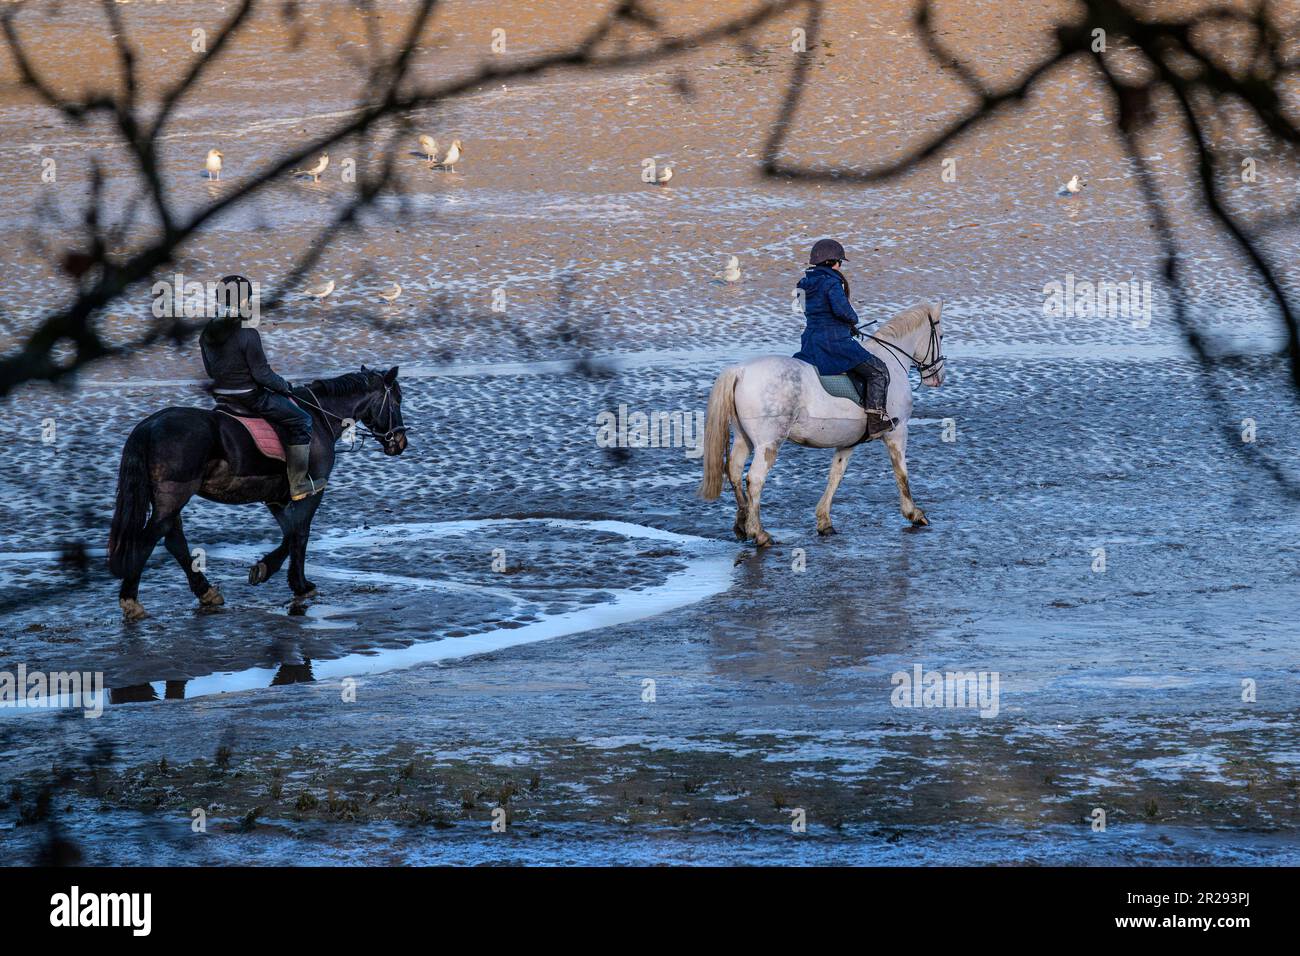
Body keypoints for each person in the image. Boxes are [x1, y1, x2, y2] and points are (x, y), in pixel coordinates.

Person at [199, 275, 323, 500]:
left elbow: (210, 371)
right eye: (248, 299)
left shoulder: (207, 332)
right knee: (302, 420)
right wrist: (285, 386)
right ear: (242, 301)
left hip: (223, 399)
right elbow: (262, 374)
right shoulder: (247, 333)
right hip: (249, 397)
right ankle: (298, 484)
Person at [792, 239, 897, 440]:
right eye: (840, 261)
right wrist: (852, 321)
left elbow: (811, 311)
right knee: (879, 371)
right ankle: (876, 422)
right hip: (835, 343)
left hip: (811, 342)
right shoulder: (832, 282)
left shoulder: (803, 284)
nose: (840, 265)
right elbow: (843, 311)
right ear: (833, 262)